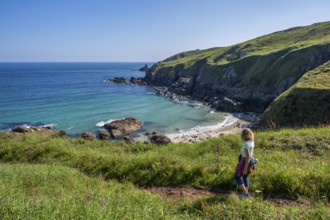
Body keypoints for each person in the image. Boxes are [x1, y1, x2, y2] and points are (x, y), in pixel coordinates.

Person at [233, 128, 256, 199]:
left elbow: (248, 156)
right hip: (249, 161)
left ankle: (245, 193)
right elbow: (250, 154)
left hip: (245, 162)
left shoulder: (246, 144)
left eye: (242, 135)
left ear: (244, 135)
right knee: (245, 177)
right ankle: (246, 194)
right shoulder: (251, 142)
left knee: (236, 176)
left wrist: (245, 168)